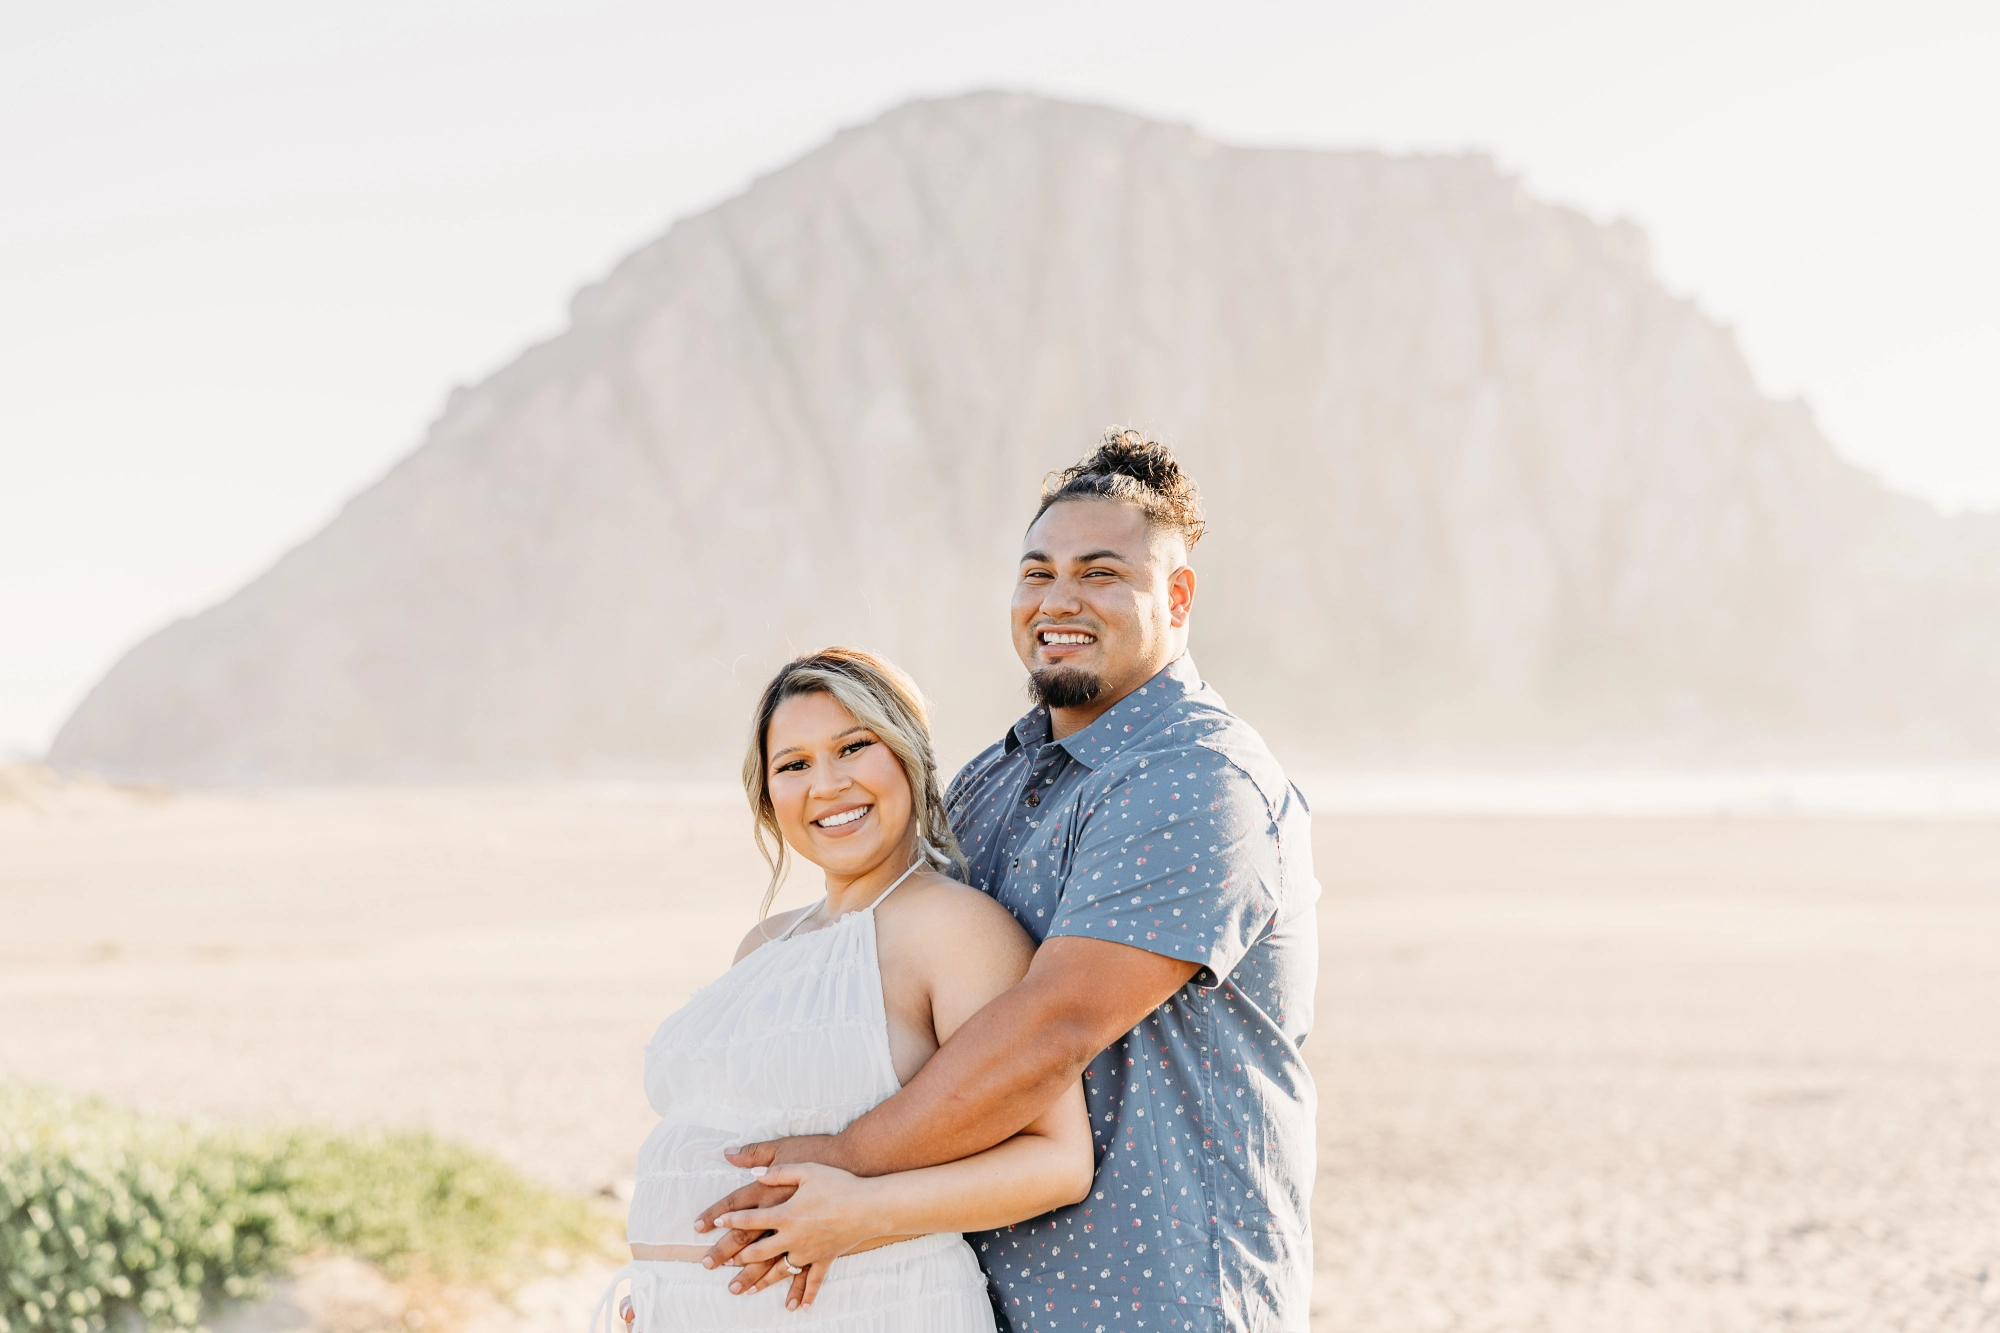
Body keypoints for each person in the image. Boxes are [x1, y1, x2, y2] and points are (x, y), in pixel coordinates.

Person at [700, 431, 1321, 1333]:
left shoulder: (1197, 780)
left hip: (1161, 1301)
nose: (1058, 599)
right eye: (1038, 573)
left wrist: (843, 1162)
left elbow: (1052, 1025)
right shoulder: (991, 780)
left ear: (1178, 596)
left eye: (1100, 573)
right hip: (975, 1306)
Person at [593, 648, 1095, 1330]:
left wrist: (864, 1212)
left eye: (853, 747)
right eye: (793, 764)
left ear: (909, 755)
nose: (826, 784)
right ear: (768, 793)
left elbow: (1057, 1161)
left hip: (872, 1308)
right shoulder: (766, 942)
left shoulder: (955, 929)